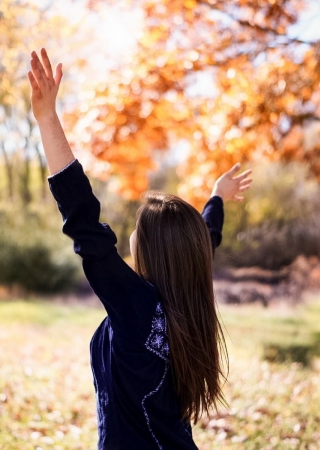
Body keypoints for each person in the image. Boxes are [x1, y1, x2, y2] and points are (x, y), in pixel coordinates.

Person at [28, 48, 252, 450]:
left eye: (136, 228)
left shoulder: (139, 307)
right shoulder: (185, 298)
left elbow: (85, 224)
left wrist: (48, 120)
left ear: (149, 247)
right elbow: (206, 237)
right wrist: (216, 197)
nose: (129, 235)